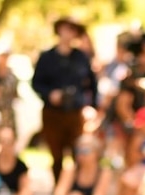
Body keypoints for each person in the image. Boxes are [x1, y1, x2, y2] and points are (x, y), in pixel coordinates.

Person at [32, 15, 98, 184]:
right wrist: (50, 94)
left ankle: (76, 188)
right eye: (67, 28)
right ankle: (58, 189)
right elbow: (36, 83)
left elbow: (92, 84)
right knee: (56, 155)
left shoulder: (81, 57)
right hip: (53, 114)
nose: (70, 33)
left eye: (74, 30)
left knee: (79, 153)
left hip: (75, 113)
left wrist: (91, 106)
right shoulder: (47, 57)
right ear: (59, 29)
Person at [45, 132, 114, 195]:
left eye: (85, 151)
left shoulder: (103, 172)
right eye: (78, 151)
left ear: (96, 153)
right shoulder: (71, 169)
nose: (81, 155)